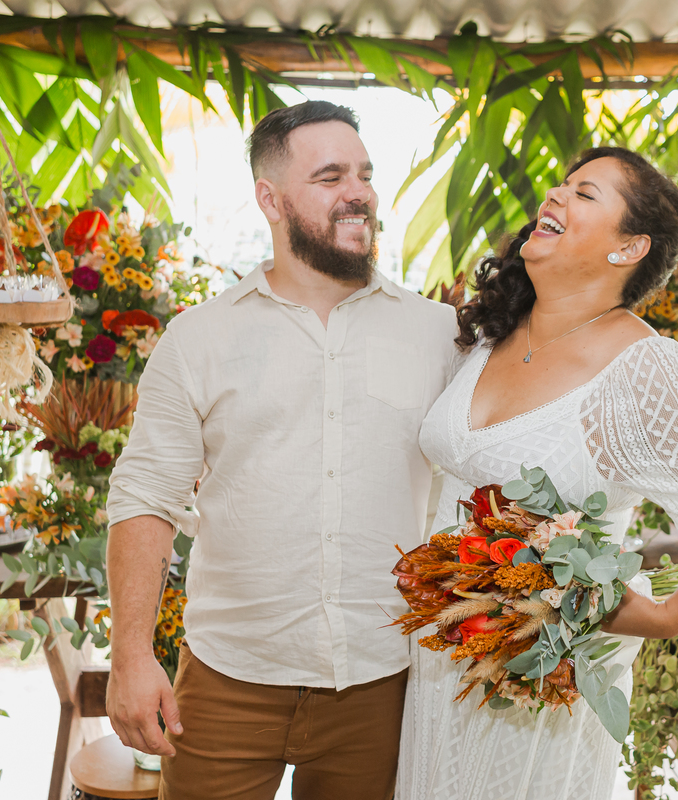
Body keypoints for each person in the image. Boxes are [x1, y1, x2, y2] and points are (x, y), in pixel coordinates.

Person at [397, 146, 678, 798]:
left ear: (628, 248)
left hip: (538, 688)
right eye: (560, 184)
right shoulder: (491, 332)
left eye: (585, 194)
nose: (555, 195)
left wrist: (665, 617)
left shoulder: (646, 370)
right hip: (438, 664)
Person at [104, 100, 459, 800]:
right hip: (228, 677)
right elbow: (146, 495)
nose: (357, 192)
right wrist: (131, 656)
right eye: (329, 176)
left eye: (363, 173)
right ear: (271, 199)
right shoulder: (200, 338)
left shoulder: (439, 334)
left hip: (382, 681)